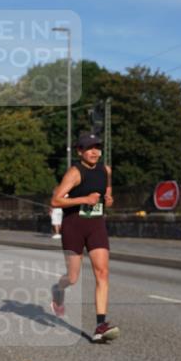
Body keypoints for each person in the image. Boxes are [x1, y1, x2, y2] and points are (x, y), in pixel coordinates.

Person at [50, 133, 119, 343]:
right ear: (80, 151)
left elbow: (107, 194)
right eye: (89, 148)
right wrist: (83, 199)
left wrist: (108, 200)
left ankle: (100, 325)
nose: (95, 151)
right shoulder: (74, 173)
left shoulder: (105, 170)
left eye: (97, 147)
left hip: (96, 225)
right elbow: (55, 200)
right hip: (74, 227)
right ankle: (58, 289)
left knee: (103, 272)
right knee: (72, 277)